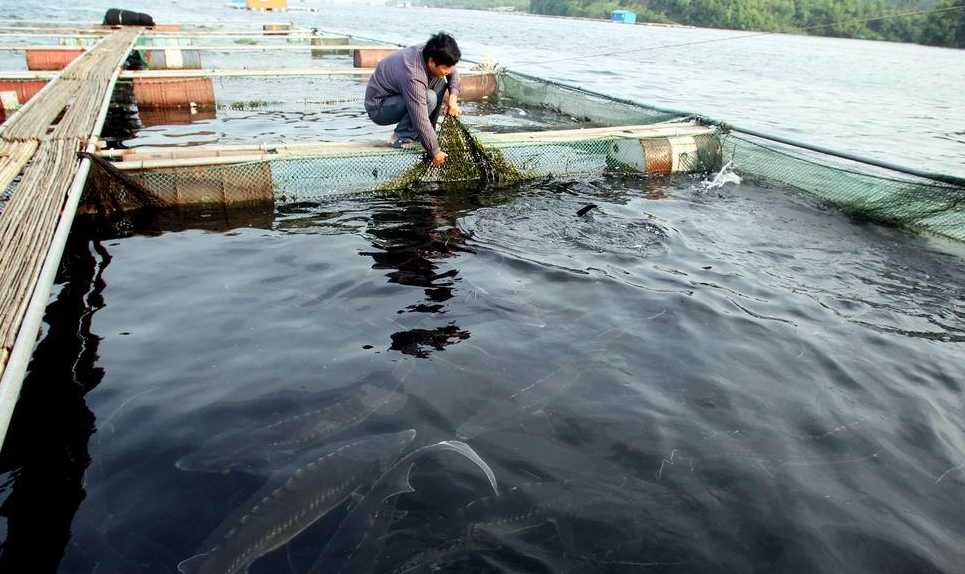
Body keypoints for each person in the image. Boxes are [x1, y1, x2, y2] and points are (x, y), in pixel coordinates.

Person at [365, 32, 463, 168]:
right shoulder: (413, 73)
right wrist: (435, 151)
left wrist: (453, 98)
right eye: (445, 67)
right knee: (429, 97)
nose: (449, 70)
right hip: (380, 107)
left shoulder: (432, 51)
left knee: (440, 81)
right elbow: (420, 116)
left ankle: (428, 134)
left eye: (450, 66)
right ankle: (400, 136)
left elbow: (453, 72)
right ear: (431, 62)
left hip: (400, 96)